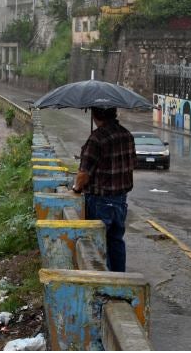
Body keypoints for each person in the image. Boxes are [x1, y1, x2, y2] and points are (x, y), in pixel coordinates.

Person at [70, 106, 136, 272]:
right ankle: (119, 277)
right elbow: (132, 163)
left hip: (100, 201)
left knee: (97, 244)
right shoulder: (127, 135)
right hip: (120, 200)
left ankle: (105, 281)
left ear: (95, 115)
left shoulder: (96, 139)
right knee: (116, 241)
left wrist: (76, 189)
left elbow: (84, 174)